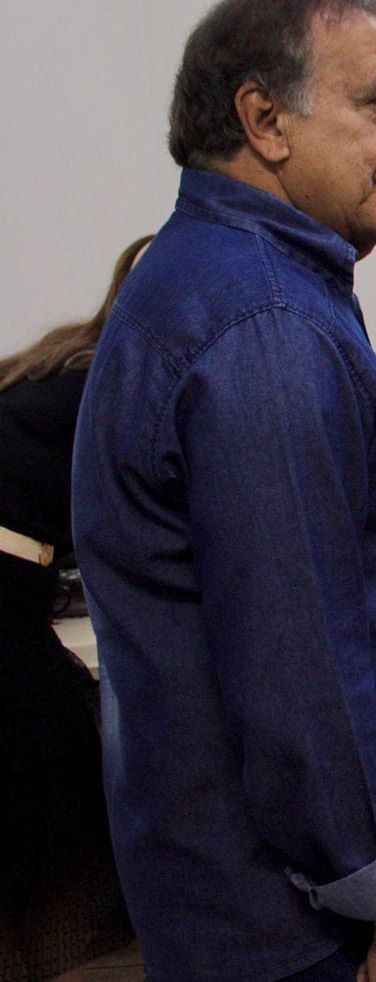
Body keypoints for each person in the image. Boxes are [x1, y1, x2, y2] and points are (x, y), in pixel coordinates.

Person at [71, 0, 376, 982]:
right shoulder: (264, 323)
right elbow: (300, 668)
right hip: (303, 927)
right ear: (266, 121)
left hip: (224, 900)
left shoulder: (212, 277)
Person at [1, 237, 147, 982]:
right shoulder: (114, 385)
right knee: (56, 788)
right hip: (10, 608)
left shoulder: (63, 356)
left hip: (19, 601)